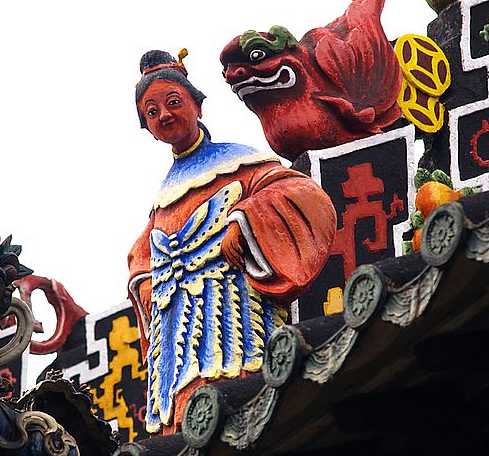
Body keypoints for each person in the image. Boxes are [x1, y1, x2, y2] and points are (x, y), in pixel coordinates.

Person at [128, 49, 336, 434]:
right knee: (181, 421)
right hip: (177, 322)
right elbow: (143, 250)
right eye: (152, 112)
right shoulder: (161, 198)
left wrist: (247, 218)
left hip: (232, 308)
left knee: (241, 395)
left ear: (197, 106)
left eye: (173, 103)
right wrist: (143, 279)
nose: (165, 116)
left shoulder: (238, 163)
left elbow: (297, 191)